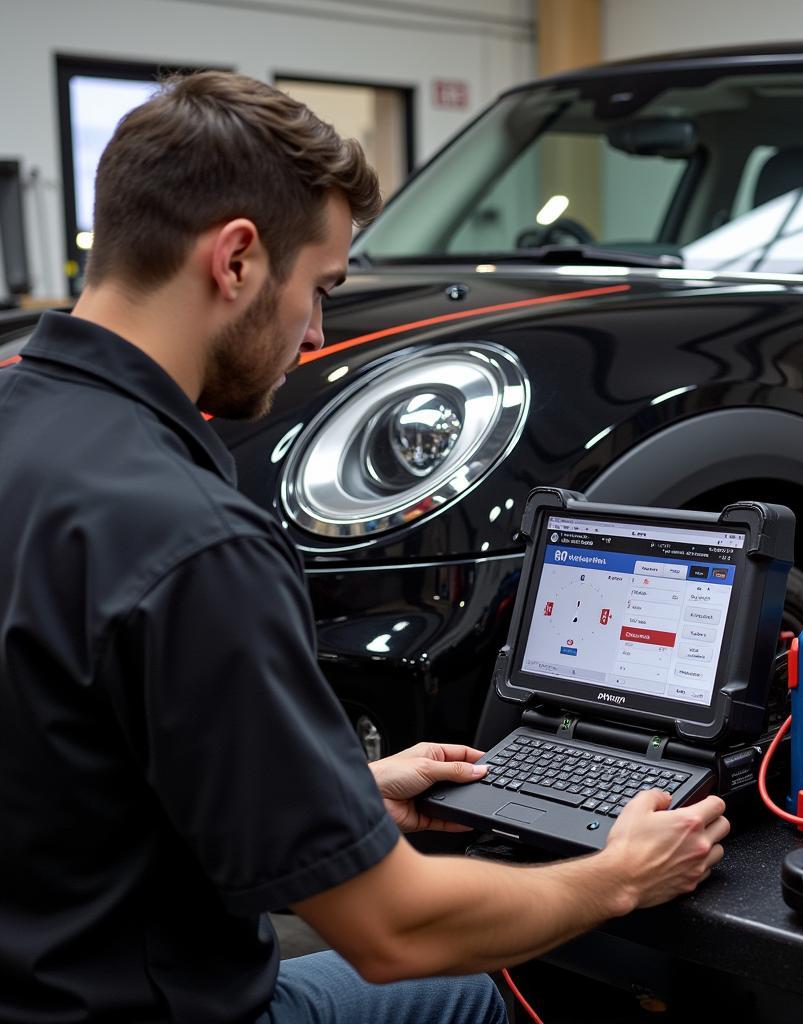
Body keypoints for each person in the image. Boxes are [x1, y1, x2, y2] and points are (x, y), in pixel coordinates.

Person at [0, 72, 730, 1024]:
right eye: (320, 290)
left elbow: (76, 764)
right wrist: (621, 877)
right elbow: (393, 933)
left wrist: (339, 795)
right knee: (483, 991)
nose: (314, 334)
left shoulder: (23, 426)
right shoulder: (195, 538)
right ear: (235, 260)